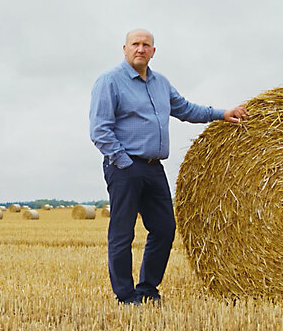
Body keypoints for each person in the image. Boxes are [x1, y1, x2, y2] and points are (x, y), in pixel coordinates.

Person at [89, 29, 248, 305]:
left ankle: (148, 289)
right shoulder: (109, 82)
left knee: (164, 229)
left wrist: (222, 114)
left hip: (154, 168)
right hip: (125, 167)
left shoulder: (161, 83)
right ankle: (126, 296)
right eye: (135, 44)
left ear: (153, 51)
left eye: (146, 45)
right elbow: (100, 130)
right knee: (122, 233)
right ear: (125, 49)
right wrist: (124, 162)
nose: (141, 49)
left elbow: (186, 109)